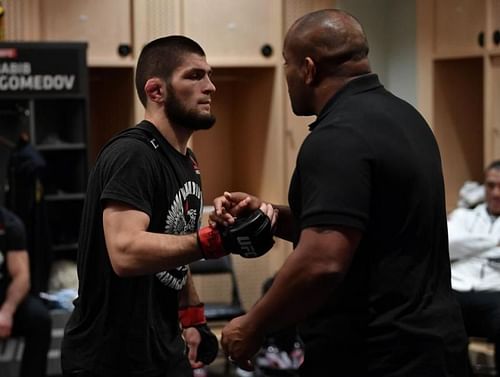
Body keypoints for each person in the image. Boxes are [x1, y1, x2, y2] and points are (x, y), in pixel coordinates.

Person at [213, 9, 470, 377]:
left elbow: (323, 261)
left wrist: (253, 324)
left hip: (376, 356)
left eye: (286, 65)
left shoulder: (336, 136)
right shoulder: (406, 118)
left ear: (307, 69)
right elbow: (359, 228)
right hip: (435, 348)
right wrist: (270, 214)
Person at [60, 35, 276, 377]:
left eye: (209, 74)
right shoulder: (134, 154)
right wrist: (213, 241)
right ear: (156, 91)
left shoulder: (186, 160)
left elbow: (174, 243)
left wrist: (191, 316)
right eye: (194, 76)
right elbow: (126, 252)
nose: (211, 86)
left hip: (162, 346)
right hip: (111, 357)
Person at [448, 160, 500, 374]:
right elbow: (447, 245)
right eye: (490, 185)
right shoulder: (463, 216)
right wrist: (494, 244)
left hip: (494, 294)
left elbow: (459, 246)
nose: (496, 193)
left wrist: (468, 246)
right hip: (456, 290)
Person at [0, 205, 52, 377]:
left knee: (39, 319)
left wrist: (7, 311)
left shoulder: (10, 225)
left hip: (4, 300)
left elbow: (22, 277)